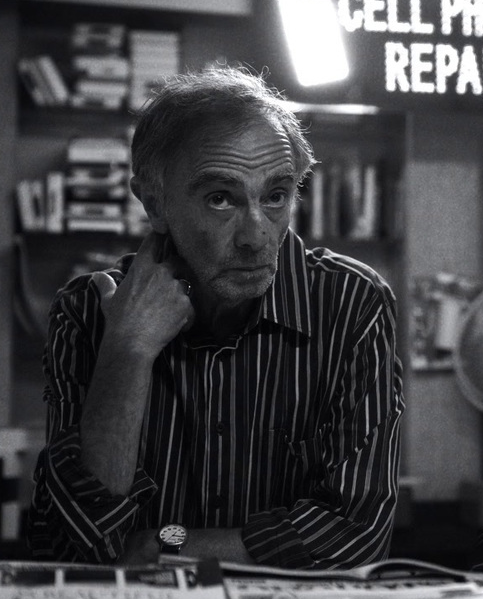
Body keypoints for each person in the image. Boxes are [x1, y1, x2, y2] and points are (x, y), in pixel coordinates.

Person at [27, 65, 404, 568]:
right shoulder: (87, 311)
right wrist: (128, 351)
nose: (256, 236)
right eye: (220, 199)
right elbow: (78, 549)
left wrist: (162, 546)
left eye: (275, 196)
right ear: (154, 204)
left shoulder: (351, 304)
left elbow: (358, 533)